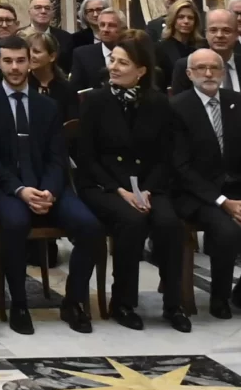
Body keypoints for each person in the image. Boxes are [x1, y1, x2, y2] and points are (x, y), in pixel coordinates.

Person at [0, 37, 102, 335]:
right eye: (8, 61)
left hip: (48, 186)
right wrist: (21, 191)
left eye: (21, 60)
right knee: (15, 223)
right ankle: (19, 303)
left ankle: (74, 301)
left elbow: (58, 157)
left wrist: (49, 192)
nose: (15, 67)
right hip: (5, 188)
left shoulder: (48, 106)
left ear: (31, 62)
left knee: (89, 227)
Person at [75, 35, 189, 331]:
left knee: (169, 223)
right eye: (112, 59)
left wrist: (148, 189)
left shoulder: (159, 103)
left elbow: (166, 155)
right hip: (105, 185)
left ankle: (174, 303)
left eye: (122, 62)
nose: (113, 66)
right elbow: (86, 156)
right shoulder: (95, 101)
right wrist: (120, 190)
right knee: (132, 222)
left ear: (141, 71)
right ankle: (123, 302)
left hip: (150, 184)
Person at [167, 45, 241, 319]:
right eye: (201, 69)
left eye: (214, 68)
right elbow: (180, 166)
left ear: (223, 73)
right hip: (199, 194)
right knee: (227, 232)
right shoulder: (176, 107)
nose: (208, 73)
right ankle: (220, 297)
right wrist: (223, 202)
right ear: (190, 74)